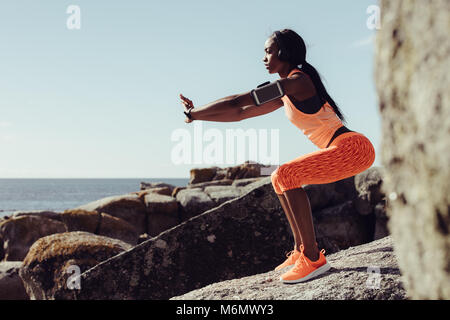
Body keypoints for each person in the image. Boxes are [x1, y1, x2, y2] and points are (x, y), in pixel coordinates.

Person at [179, 29, 376, 284]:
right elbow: (241, 114)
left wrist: (195, 113)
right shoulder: (286, 93)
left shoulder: (297, 82)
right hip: (343, 149)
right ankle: (300, 251)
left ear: (283, 53)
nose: (263, 57)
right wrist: (195, 115)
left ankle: (314, 259)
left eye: (268, 51)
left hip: (352, 148)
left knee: (287, 173)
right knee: (278, 178)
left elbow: (238, 101)